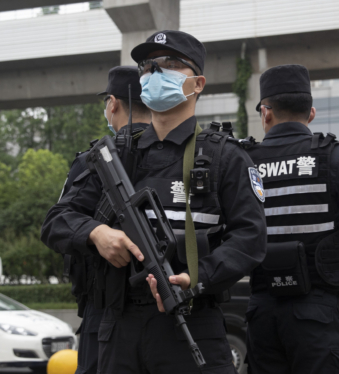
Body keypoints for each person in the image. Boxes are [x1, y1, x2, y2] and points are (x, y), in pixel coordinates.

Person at [41, 30, 267, 374]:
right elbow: (57, 220)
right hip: (118, 326)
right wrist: (96, 233)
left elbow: (250, 239)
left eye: (171, 64)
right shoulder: (113, 154)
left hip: (190, 321)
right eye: (148, 66)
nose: (155, 73)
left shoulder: (224, 157)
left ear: (198, 83)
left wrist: (197, 276)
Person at [245, 64, 339, 374]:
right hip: (320, 315)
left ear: (266, 112)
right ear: (310, 113)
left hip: (262, 315)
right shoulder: (336, 157)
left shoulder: (245, 162)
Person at [58, 65, 151, 374]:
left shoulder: (95, 158)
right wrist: (98, 232)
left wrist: (93, 232)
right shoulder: (184, 153)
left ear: (113, 103)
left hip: (105, 314)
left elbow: (57, 224)